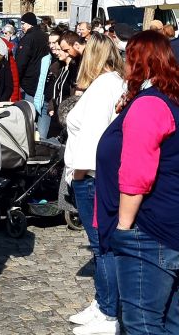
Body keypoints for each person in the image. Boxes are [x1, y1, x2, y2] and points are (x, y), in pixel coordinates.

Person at [95, 31, 179, 334]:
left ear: (137, 62)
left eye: (127, 58)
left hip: (151, 226)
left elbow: (136, 175)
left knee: (142, 322)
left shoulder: (150, 105)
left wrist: (122, 228)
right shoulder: (174, 99)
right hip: (173, 218)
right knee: (165, 317)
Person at [64, 34, 126, 335]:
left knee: (103, 247)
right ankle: (102, 303)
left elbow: (93, 137)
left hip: (90, 176)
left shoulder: (103, 86)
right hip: (100, 175)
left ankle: (108, 313)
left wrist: (76, 175)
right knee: (103, 247)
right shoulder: (115, 83)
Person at [16, 12, 49, 105]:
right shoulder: (45, 36)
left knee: (30, 108)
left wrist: (17, 78)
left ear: (30, 24)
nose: (22, 26)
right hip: (42, 76)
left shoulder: (27, 38)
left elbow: (21, 61)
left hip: (29, 80)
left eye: (23, 24)